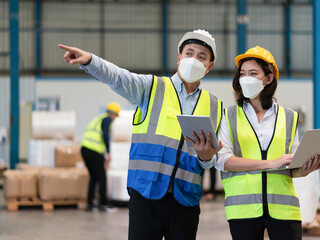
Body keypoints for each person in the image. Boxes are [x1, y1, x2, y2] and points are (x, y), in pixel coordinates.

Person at [59, 29, 223, 240]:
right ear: (178, 57)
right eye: (189, 53)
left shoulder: (215, 106)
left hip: (186, 199)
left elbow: (212, 160)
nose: (194, 60)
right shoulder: (151, 88)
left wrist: (206, 156)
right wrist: (91, 61)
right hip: (146, 194)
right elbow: (119, 77)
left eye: (202, 57)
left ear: (209, 66)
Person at [215, 46, 320, 240]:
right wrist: (271, 163)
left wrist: (306, 169)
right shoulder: (228, 115)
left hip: (284, 210)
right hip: (243, 210)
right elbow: (222, 160)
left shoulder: (289, 117)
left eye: (253, 73)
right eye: (242, 74)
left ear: (268, 78)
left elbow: (292, 167)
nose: (245, 78)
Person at [80, 101, 120, 212]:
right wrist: (107, 152)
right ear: (114, 114)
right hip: (94, 150)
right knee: (102, 176)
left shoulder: (98, 118)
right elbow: (105, 135)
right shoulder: (107, 119)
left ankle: (90, 204)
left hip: (84, 149)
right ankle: (103, 204)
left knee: (94, 176)